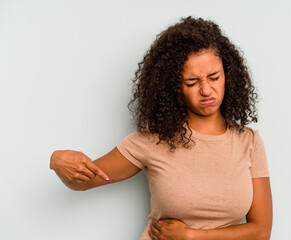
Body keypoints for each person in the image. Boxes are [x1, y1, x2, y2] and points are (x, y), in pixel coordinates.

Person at [50, 16, 273, 240]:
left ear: (229, 76)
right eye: (192, 82)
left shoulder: (249, 142)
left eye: (214, 77)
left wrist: (190, 236)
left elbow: (261, 232)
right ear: (173, 86)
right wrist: (58, 160)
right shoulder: (153, 140)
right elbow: (86, 180)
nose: (206, 90)